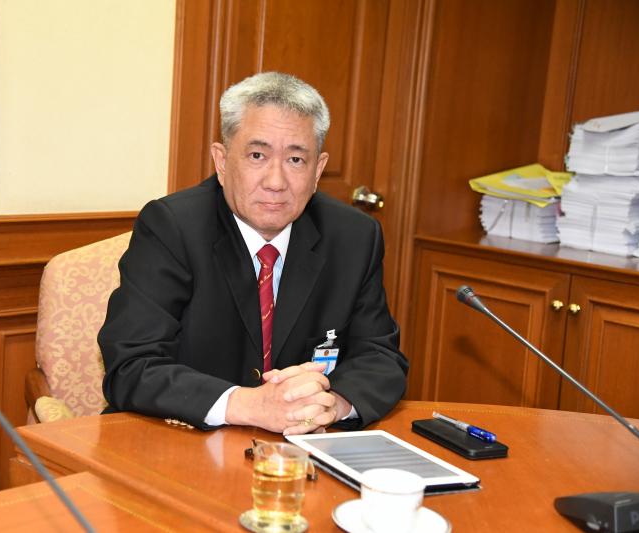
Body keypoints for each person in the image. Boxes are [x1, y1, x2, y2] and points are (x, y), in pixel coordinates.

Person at [98, 72, 407, 435]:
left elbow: (380, 357)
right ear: (222, 161)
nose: (276, 182)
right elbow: (131, 365)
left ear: (318, 170)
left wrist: (333, 403)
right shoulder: (172, 227)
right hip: (179, 439)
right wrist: (250, 405)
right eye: (257, 155)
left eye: (296, 160)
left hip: (298, 448)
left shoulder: (354, 236)